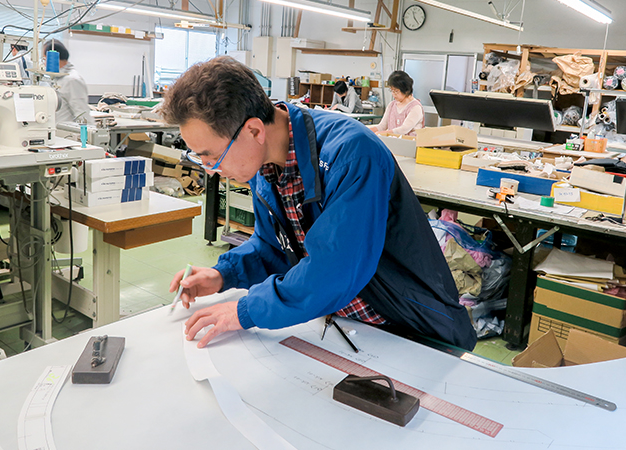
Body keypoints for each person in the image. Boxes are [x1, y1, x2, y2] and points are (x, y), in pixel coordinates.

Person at [162, 57, 475, 351]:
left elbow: (334, 270)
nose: (209, 170)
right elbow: (274, 248)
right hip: (344, 325)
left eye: (212, 157)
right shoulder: (262, 164)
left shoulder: (350, 154)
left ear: (254, 130)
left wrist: (246, 310)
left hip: (408, 329)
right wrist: (223, 274)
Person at [43, 39, 92, 125]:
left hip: (67, 131)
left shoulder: (72, 80)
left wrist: (87, 132)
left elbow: (82, 113)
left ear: (53, 59)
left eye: (44, 59)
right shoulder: (57, 79)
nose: (44, 63)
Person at [369, 71, 424, 136]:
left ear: (406, 90)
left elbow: (404, 129)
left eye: (396, 91)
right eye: (391, 90)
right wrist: (366, 130)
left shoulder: (415, 107)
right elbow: (382, 126)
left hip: (409, 141)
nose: (393, 94)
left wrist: (381, 133)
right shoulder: (392, 105)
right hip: (393, 140)